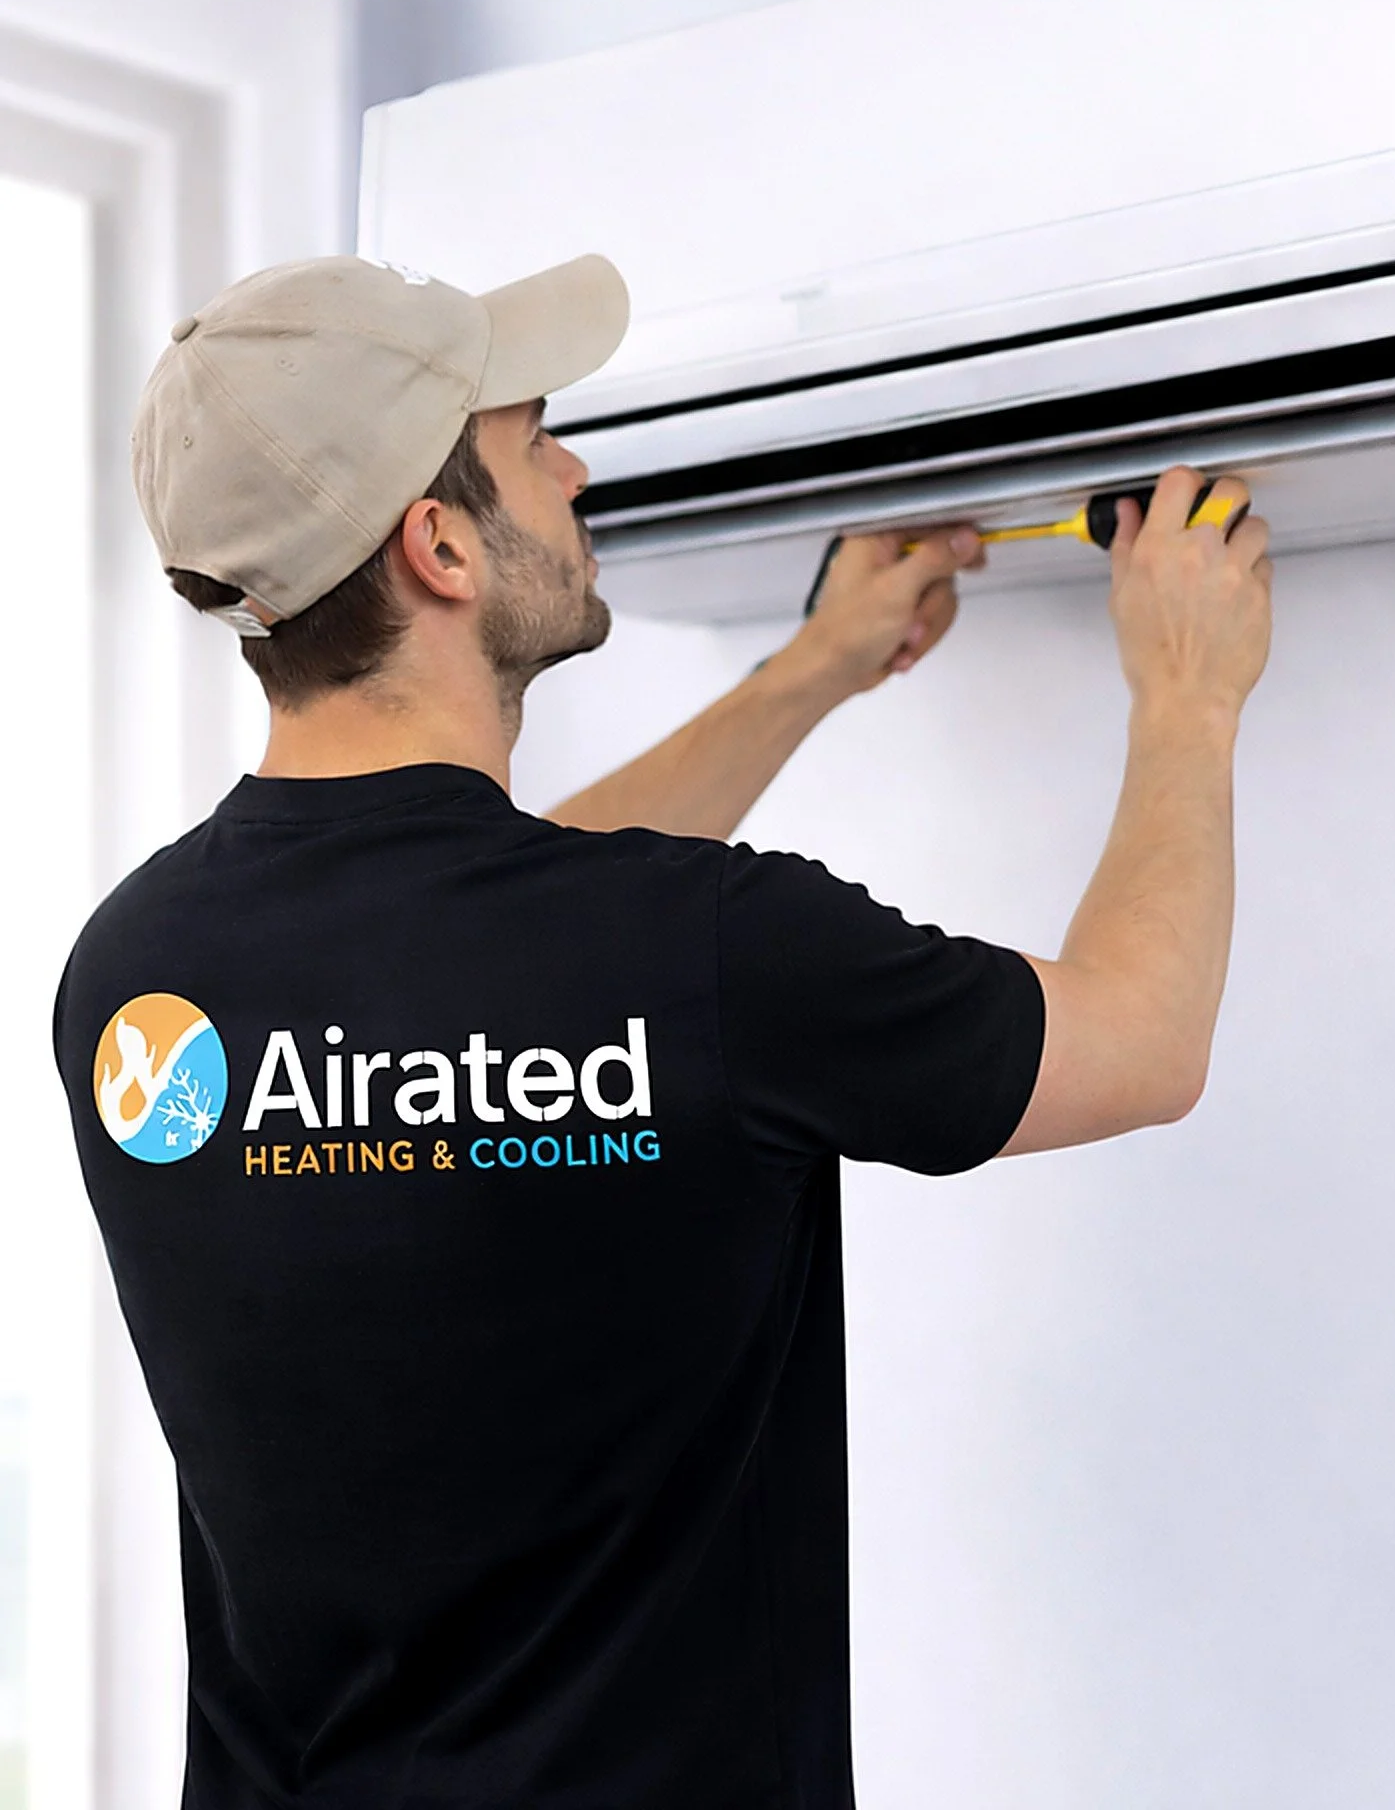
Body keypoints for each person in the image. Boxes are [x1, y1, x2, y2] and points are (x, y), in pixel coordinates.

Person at [52, 253, 1272, 1809]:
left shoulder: (134, 982)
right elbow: (1138, 1038)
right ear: (439, 546)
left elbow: (486, 946)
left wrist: (809, 673)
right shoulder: (704, 950)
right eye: (531, 441)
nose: (572, 470)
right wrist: (1190, 690)